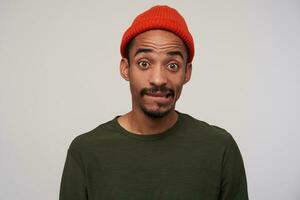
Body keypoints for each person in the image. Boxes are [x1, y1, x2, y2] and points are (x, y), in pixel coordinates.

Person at [59, 5, 248, 200]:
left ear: (187, 72)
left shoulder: (220, 148)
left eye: (172, 65)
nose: (158, 79)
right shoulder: (85, 151)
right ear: (126, 68)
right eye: (144, 63)